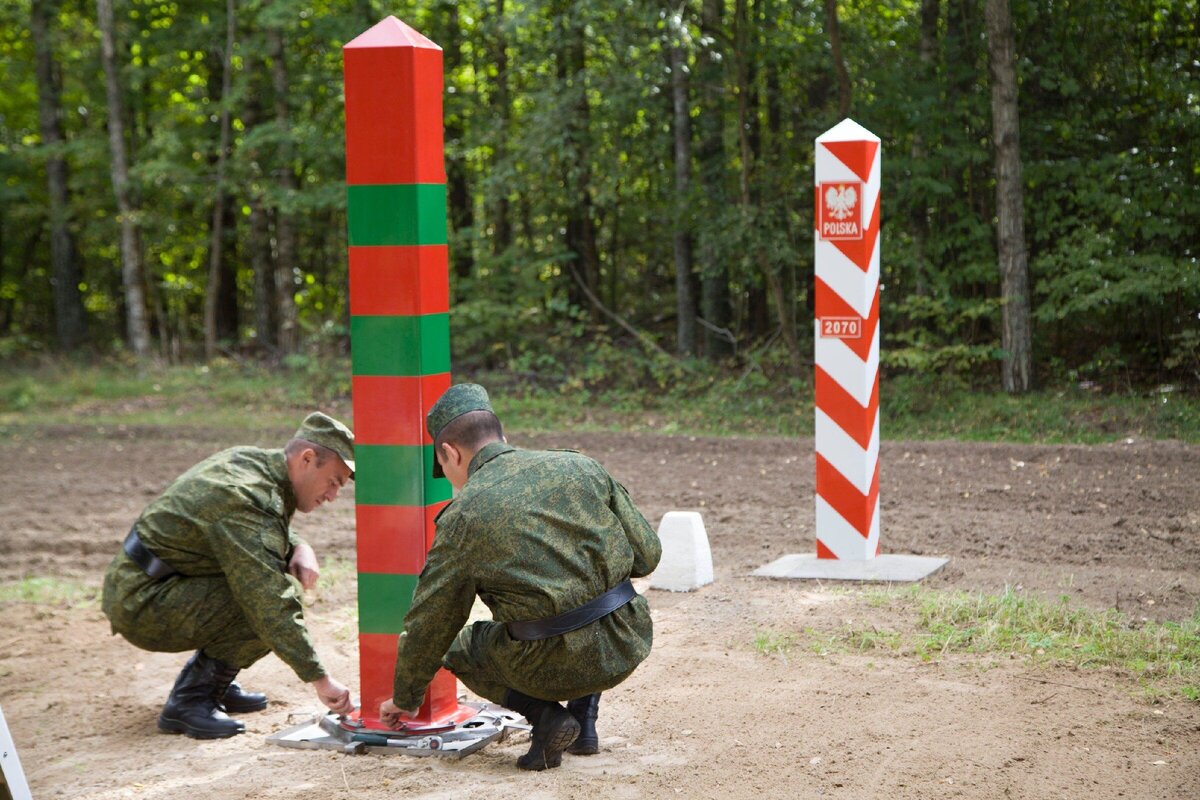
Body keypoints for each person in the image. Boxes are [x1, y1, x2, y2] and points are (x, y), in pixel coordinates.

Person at [379, 384, 662, 771]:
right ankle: (585, 721)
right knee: (581, 586)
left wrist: (406, 696)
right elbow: (648, 555)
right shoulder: (581, 466)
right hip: (625, 641)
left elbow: (431, 622)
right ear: (501, 436)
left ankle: (546, 716)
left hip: (547, 666)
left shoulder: (464, 515)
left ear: (449, 452)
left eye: (443, 467)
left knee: (463, 646)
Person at [101, 412, 358, 740]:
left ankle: (213, 681)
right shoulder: (247, 497)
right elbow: (268, 598)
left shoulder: (253, 463)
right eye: (333, 482)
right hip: (141, 601)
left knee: (261, 588)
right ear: (307, 459)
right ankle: (190, 700)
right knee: (268, 599)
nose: (333, 495)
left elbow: (248, 528)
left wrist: (298, 544)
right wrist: (320, 680)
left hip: (146, 581)